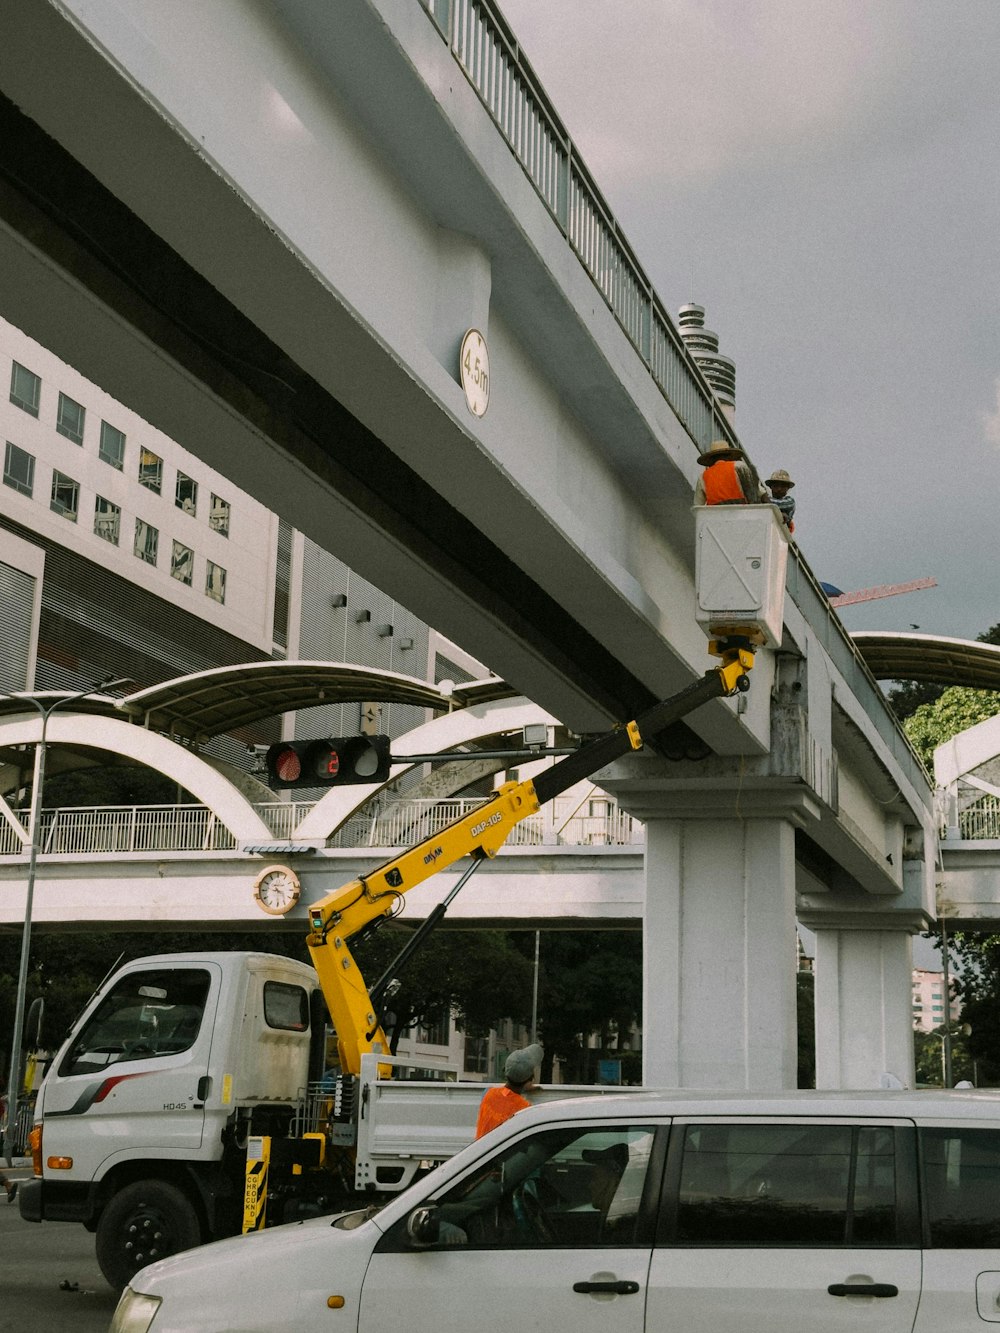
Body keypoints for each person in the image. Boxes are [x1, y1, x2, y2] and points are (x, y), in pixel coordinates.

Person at [474, 1042, 543, 1139]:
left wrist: (523, 1086)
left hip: (481, 1152)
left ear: (505, 1071)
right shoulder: (525, 1109)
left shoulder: (488, 1093)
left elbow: (505, 1096)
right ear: (530, 1078)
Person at [694, 440, 763, 506]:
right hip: (741, 513)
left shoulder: (703, 476)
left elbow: (698, 505)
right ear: (729, 456)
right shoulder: (739, 466)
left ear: (711, 459)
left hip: (715, 516)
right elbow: (758, 491)